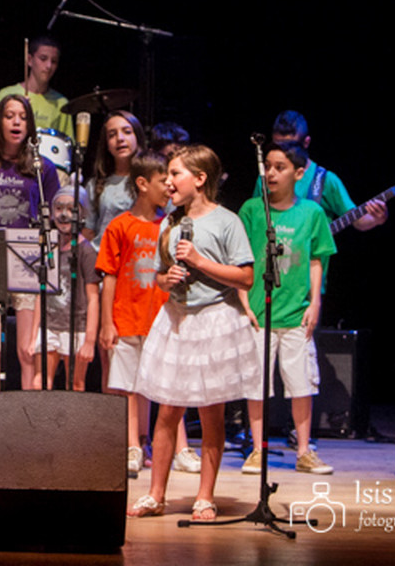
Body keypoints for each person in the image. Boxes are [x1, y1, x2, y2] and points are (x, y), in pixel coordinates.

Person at [129, 145, 257, 521]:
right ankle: (156, 494)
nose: (168, 182)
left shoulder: (227, 222)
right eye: (166, 176)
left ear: (200, 179)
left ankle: (205, 495)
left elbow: (246, 276)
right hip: (177, 319)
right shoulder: (169, 224)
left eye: (175, 174)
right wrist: (165, 280)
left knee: (210, 410)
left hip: (214, 320)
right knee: (167, 409)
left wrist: (201, 261)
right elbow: (158, 273)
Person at [97, 153, 200, 476]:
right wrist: (106, 323)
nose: (169, 187)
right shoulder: (119, 226)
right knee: (128, 387)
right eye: (162, 181)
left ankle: (180, 448)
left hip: (163, 318)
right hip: (127, 318)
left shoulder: (171, 226)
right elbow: (109, 276)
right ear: (142, 184)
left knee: (170, 385)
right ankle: (132, 447)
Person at [237, 141, 337, 475]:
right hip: (258, 314)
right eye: (268, 166)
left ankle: (305, 451)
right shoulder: (252, 210)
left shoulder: (312, 212)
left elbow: (317, 260)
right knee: (256, 384)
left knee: (301, 384)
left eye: (279, 167)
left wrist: (315, 302)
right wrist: (242, 303)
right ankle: (256, 449)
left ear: (298, 173)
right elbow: (241, 259)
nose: (270, 173)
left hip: (296, 314)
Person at [0, 94, 60, 390]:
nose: (16, 122)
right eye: (9, 115)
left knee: (27, 350)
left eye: (23, 116)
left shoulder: (44, 168)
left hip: (26, 262)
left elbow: (54, 214)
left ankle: (28, 419)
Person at [254, 110, 387, 230]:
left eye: (290, 146)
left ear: (306, 143)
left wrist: (377, 219)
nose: (283, 152)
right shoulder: (265, 178)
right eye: (278, 145)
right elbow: (254, 222)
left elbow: (357, 221)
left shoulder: (326, 180)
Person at [32, 186, 98, 391]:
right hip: (49, 324)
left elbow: (93, 298)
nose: (64, 214)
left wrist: (89, 340)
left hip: (76, 326)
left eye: (71, 209)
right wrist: (34, 334)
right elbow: (39, 295)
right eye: (58, 208)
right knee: (41, 381)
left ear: (82, 213)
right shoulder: (48, 248)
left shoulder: (86, 251)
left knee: (75, 384)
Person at [84, 111, 147, 250]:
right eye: (112, 135)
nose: (120, 138)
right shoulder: (95, 185)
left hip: (141, 261)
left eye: (127, 132)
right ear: (106, 144)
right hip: (102, 260)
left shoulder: (152, 180)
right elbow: (88, 232)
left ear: (137, 136)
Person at [0, 35, 74, 140]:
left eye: (54, 61)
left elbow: (66, 145)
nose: (48, 66)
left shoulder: (61, 103)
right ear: (29, 60)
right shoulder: (6, 94)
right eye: (43, 59)